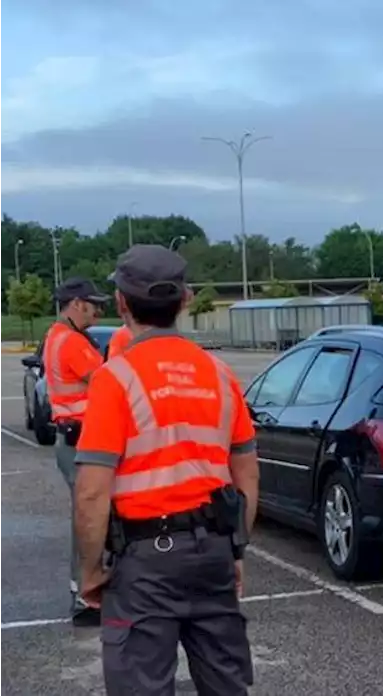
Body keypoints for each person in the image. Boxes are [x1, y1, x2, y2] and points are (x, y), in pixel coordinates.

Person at [71, 245, 260, 694]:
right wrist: (234, 550)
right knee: (226, 684)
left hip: (144, 560)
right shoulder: (220, 374)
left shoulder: (115, 378)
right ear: (186, 300)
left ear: (120, 303)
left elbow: (92, 492)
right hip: (212, 550)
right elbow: (247, 476)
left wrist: (92, 568)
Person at [42, 277, 111, 626]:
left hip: (73, 442)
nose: (98, 309)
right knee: (91, 521)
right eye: (93, 303)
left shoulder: (57, 336)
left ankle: (88, 592)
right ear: (75, 304)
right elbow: (109, 384)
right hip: (82, 443)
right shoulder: (72, 343)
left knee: (89, 519)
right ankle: (88, 598)